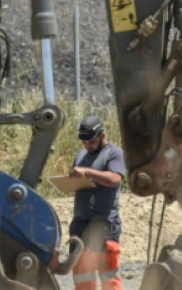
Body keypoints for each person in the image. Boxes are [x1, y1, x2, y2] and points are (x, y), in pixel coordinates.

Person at [68, 115, 126, 290]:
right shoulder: (81, 155)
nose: (88, 146)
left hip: (104, 224)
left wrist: (87, 172)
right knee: (82, 277)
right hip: (80, 224)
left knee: (109, 277)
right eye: (84, 142)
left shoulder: (114, 153)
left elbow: (115, 179)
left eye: (92, 142)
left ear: (102, 135)